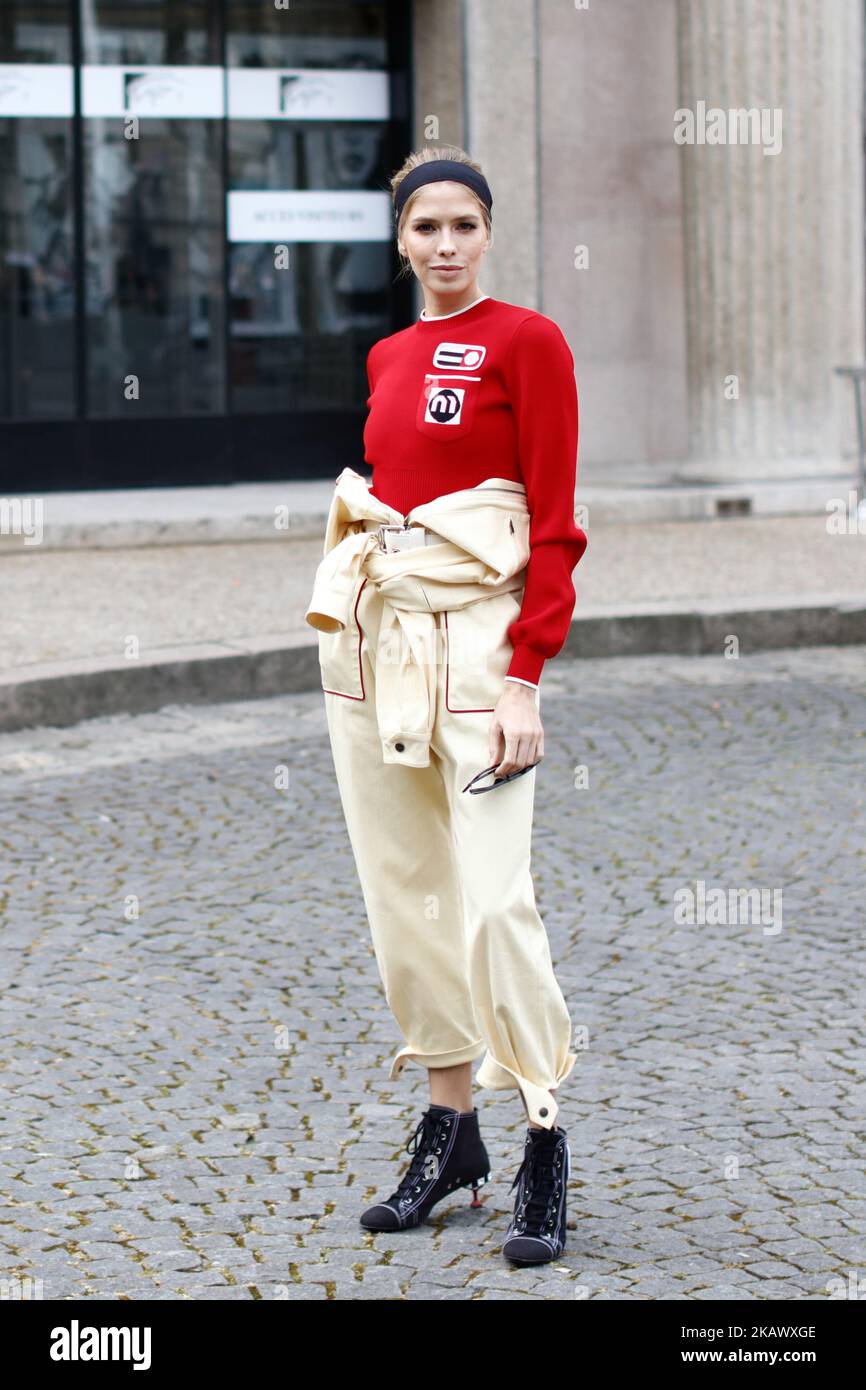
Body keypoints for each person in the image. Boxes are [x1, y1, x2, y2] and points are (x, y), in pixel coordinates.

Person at [305, 145, 588, 1266]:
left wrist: (526, 675)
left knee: (490, 903)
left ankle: (543, 1136)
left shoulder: (529, 341)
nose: (443, 245)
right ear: (401, 240)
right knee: (405, 896)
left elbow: (555, 525)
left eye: (462, 225)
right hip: (381, 646)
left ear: (486, 232)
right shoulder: (383, 354)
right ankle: (447, 1129)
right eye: (425, 228)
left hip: (482, 653)